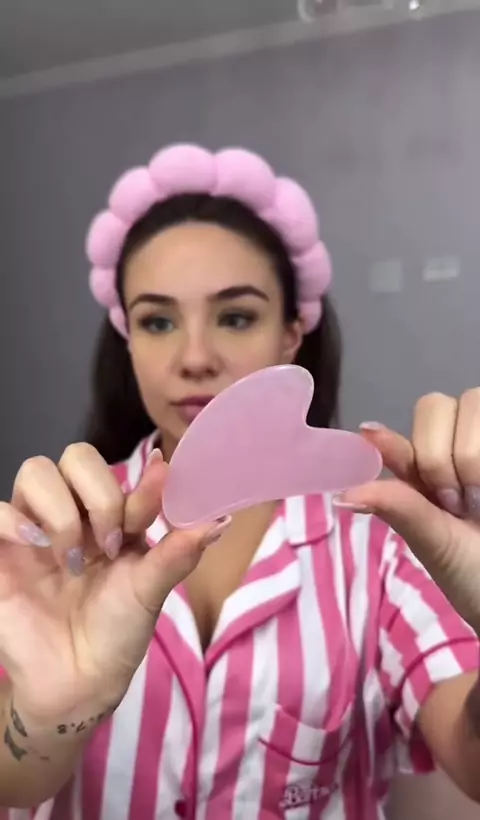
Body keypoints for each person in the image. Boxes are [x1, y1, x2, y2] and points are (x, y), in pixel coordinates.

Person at [0, 144, 480, 820]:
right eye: (158, 321)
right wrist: (48, 717)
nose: (195, 357)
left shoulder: (380, 544)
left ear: (292, 335)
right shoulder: (59, 535)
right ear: (128, 340)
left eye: (235, 316)